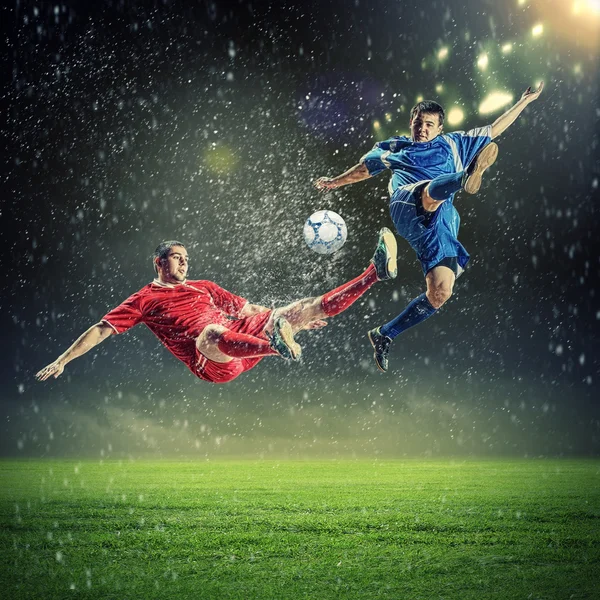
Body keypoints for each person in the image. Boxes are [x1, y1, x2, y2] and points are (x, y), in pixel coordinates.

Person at [314, 82, 544, 372]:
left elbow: (495, 128)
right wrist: (334, 181)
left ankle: (385, 334)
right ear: (411, 123)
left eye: (429, 125)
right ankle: (465, 178)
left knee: (441, 291)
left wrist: (525, 101)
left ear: (439, 128)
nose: (422, 129)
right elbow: (363, 169)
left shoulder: (454, 143)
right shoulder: (395, 146)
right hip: (408, 202)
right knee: (429, 193)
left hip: (441, 223)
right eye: (418, 123)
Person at [36, 230, 397, 384]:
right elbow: (102, 329)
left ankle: (373, 273)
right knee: (210, 332)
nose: (184, 263)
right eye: (176, 258)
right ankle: (277, 346)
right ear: (158, 263)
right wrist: (63, 360)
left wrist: (290, 319)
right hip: (211, 360)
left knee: (302, 307)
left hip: (240, 338)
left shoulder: (204, 287)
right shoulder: (145, 298)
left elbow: (247, 309)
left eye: (186, 258)